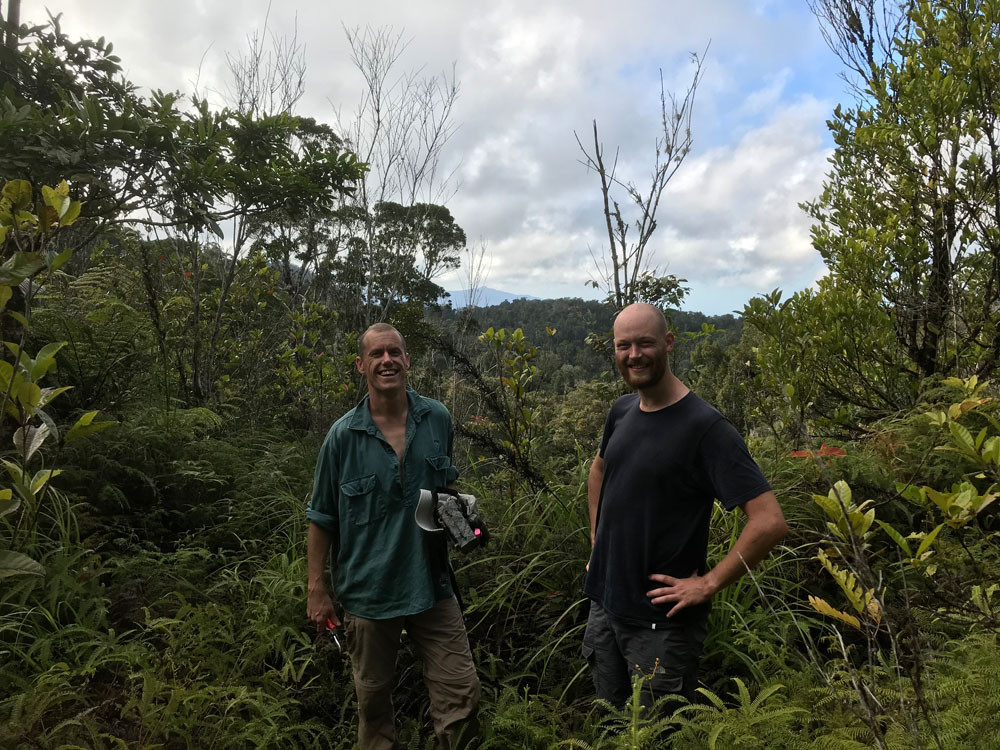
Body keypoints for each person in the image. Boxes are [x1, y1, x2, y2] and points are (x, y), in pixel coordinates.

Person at [583, 303, 787, 708]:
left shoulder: (705, 428)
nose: (634, 355)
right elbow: (598, 474)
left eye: (645, 343)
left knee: (659, 734)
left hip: (661, 626)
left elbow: (769, 522)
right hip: (606, 607)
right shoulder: (622, 410)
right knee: (612, 728)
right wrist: (598, 543)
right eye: (624, 346)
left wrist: (708, 584)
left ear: (668, 343)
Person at [306, 322, 480, 750]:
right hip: (369, 592)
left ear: (407, 360)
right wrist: (316, 588)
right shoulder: (342, 437)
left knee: (462, 693)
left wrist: (463, 519)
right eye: (377, 354)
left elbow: (443, 487)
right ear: (361, 365)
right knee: (374, 706)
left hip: (433, 585)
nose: (387, 361)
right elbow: (322, 516)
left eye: (395, 353)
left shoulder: (437, 418)